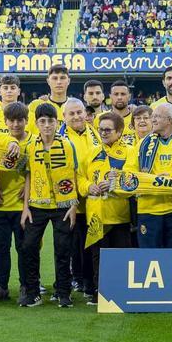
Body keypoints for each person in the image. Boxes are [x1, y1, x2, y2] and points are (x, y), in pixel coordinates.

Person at [19, 102, 80, 308]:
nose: (47, 125)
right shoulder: (30, 146)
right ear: (36, 123)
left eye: (50, 121)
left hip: (63, 206)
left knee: (63, 249)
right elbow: (27, 176)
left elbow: (74, 175)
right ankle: (33, 292)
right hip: (36, 206)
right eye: (42, 121)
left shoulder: (67, 145)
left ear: (57, 122)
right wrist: (25, 207)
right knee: (28, 247)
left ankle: (63, 292)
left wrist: (74, 206)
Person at [125, 103, 172, 248]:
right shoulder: (142, 145)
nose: (153, 119)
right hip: (148, 210)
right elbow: (129, 170)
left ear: (170, 120)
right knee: (150, 258)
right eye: (153, 116)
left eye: (157, 116)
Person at [79, 110, 133, 302]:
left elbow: (133, 181)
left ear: (119, 132)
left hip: (120, 215)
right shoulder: (91, 152)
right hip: (96, 215)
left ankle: (122, 293)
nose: (103, 133)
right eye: (100, 129)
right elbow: (80, 177)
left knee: (121, 257)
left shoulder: (130, 152)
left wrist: (114, 183)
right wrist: (88, 187)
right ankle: (99, 294)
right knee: (97, 258)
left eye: (108, 130)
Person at [0, 101, 29, 301]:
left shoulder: (31, 143)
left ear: (26, 121)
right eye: (11, 121)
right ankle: (1, 286)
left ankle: (25, 285)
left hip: (22, 208)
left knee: (24, 248)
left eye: (20, 120)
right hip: (0, 206)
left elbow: (34, 172)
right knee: (0, 249)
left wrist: (27, 189)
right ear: (5, 121)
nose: (15, 124)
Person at [61, 98, 97, 292]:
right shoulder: (61, 138)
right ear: (64, 116)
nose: (76, 116)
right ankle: (76, 278)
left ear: (85, 113)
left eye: (79, 112)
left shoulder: (95, 133)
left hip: (93, 197)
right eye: (71, 113)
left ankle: (89, 279)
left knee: (90, 242)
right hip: (70, 200)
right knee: (74, 243)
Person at [27, 64, 72, 132]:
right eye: (54, 78)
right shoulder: (35, 106)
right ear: (48, 81)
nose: (59, 82)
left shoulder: (74, 107)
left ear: (68, 81)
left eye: (62, 78)